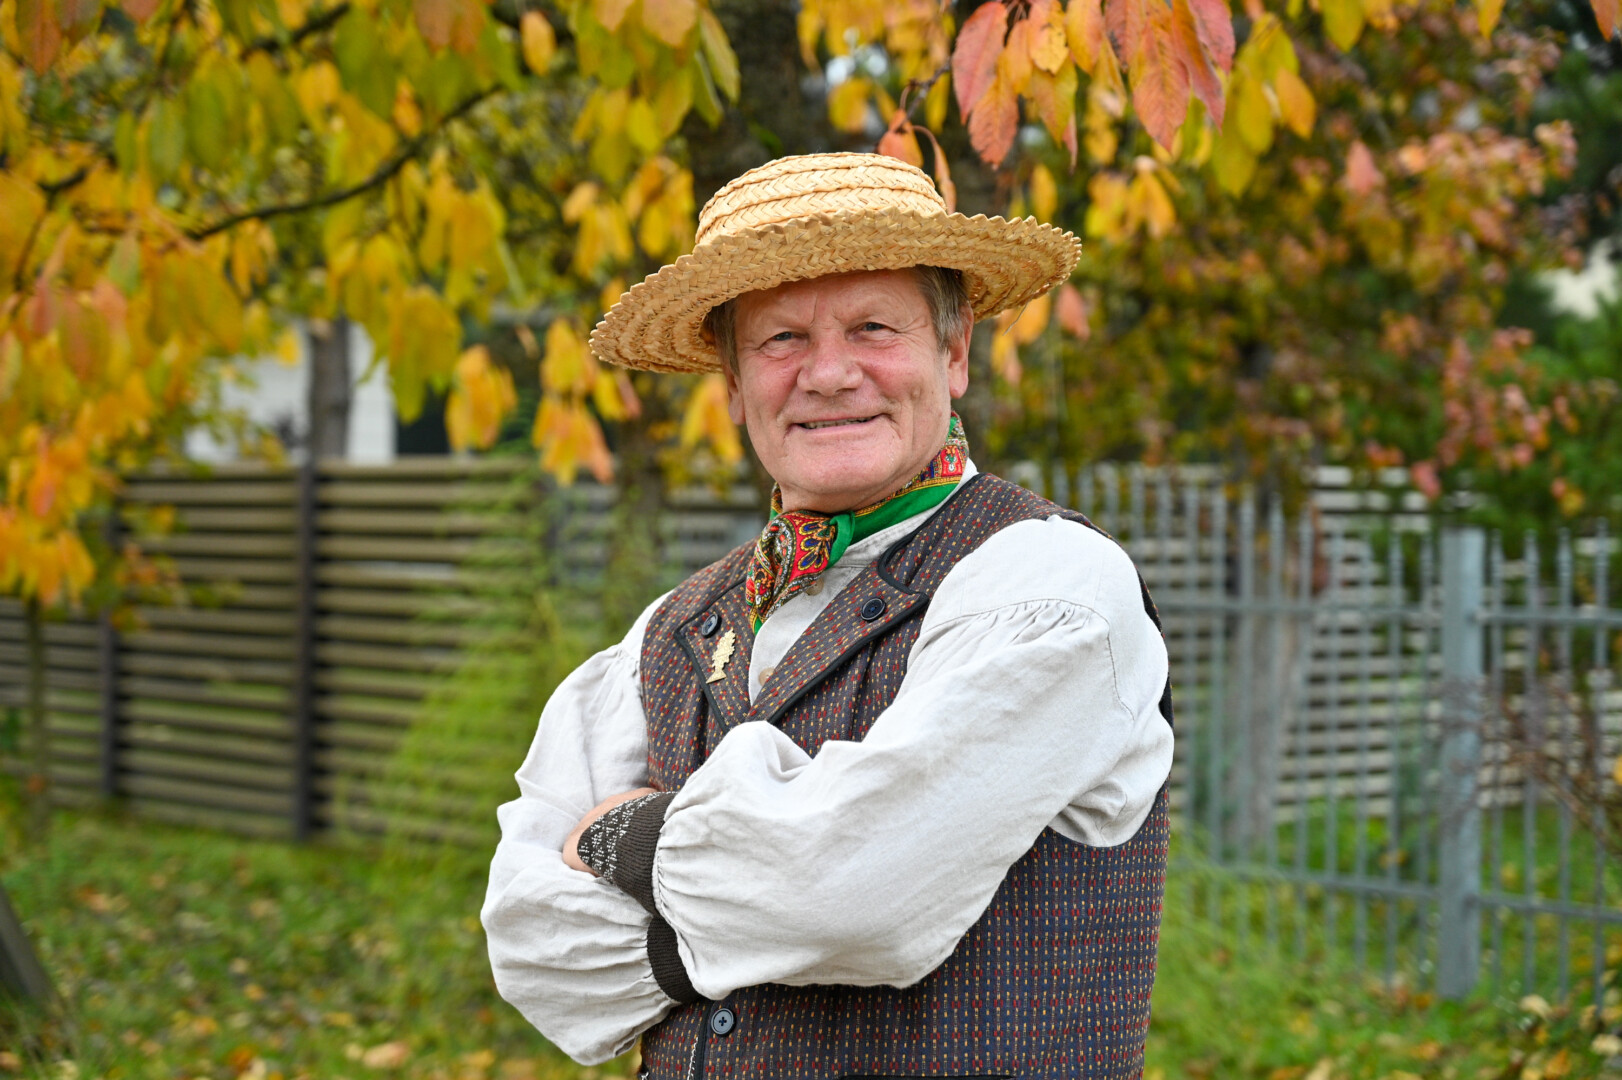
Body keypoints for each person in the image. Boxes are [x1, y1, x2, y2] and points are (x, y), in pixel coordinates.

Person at [482, 152, 1174, 1080]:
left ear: (954, 353)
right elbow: (530, 945)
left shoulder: (1050, 589)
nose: (831, 373)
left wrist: (627, 838)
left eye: (873, 327)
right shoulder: (671, 629)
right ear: (734, 384)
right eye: (781, 340)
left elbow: (855, 895)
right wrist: (759, 887)